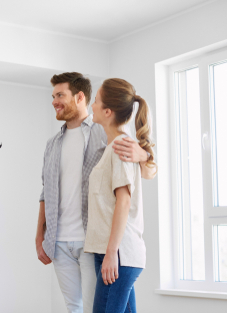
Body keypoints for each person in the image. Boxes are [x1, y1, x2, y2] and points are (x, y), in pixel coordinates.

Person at [36, 73, 156, 313]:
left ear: (79, 97)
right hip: (60, 241)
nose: (54, 101)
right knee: (75, 307)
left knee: (95, 306)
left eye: (60, 95)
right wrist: (40, 235)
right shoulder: (53, 143)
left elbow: (136, 182)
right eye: (53, 96)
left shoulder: (108, 134)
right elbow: (45, 191)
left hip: (94, 242)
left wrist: (144, 155)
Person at [84, 78, 157, 313]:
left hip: (119, 254)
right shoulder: (114, 147)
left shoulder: (121, 147)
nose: (91, 106)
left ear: (107, 111)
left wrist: (111, 253)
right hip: (116, 254)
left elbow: (123, 202)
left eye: (95, 101)